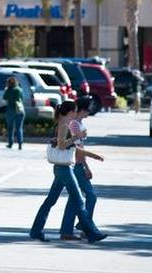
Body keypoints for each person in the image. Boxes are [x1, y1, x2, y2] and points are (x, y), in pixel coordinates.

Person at [30, 100, 107, 243]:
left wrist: (92, 155)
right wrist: (77, 137)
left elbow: (70, 148)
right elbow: (61, 145)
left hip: (61, 168)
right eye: (75, 111)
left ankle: (36, 230)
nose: (76, 113)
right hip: (64, 168)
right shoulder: (64, 126)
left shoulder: (61, 124)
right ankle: (92, 233)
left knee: (50, 201)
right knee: (78, 201)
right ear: (71, 112)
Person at [60, 96, 98, 241]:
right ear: (83, 109)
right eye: (89, 108)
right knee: (91, 196)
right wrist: (86, 166)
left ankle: (67, 230)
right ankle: (84, 225)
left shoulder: (79, 124)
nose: (90, 111)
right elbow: (77, 148)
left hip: (78, 164)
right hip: (76, 165)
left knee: (74, 199)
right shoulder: (74, 125)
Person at [3, 76, 25, 150]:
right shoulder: (19, 90)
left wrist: (6, 89)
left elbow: (4, 98)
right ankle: (20, 144)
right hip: (19, 110)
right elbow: (22, 98)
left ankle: (10, 143)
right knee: (19, 128)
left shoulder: (8, 90)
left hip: (11, 110)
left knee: (10, 128)